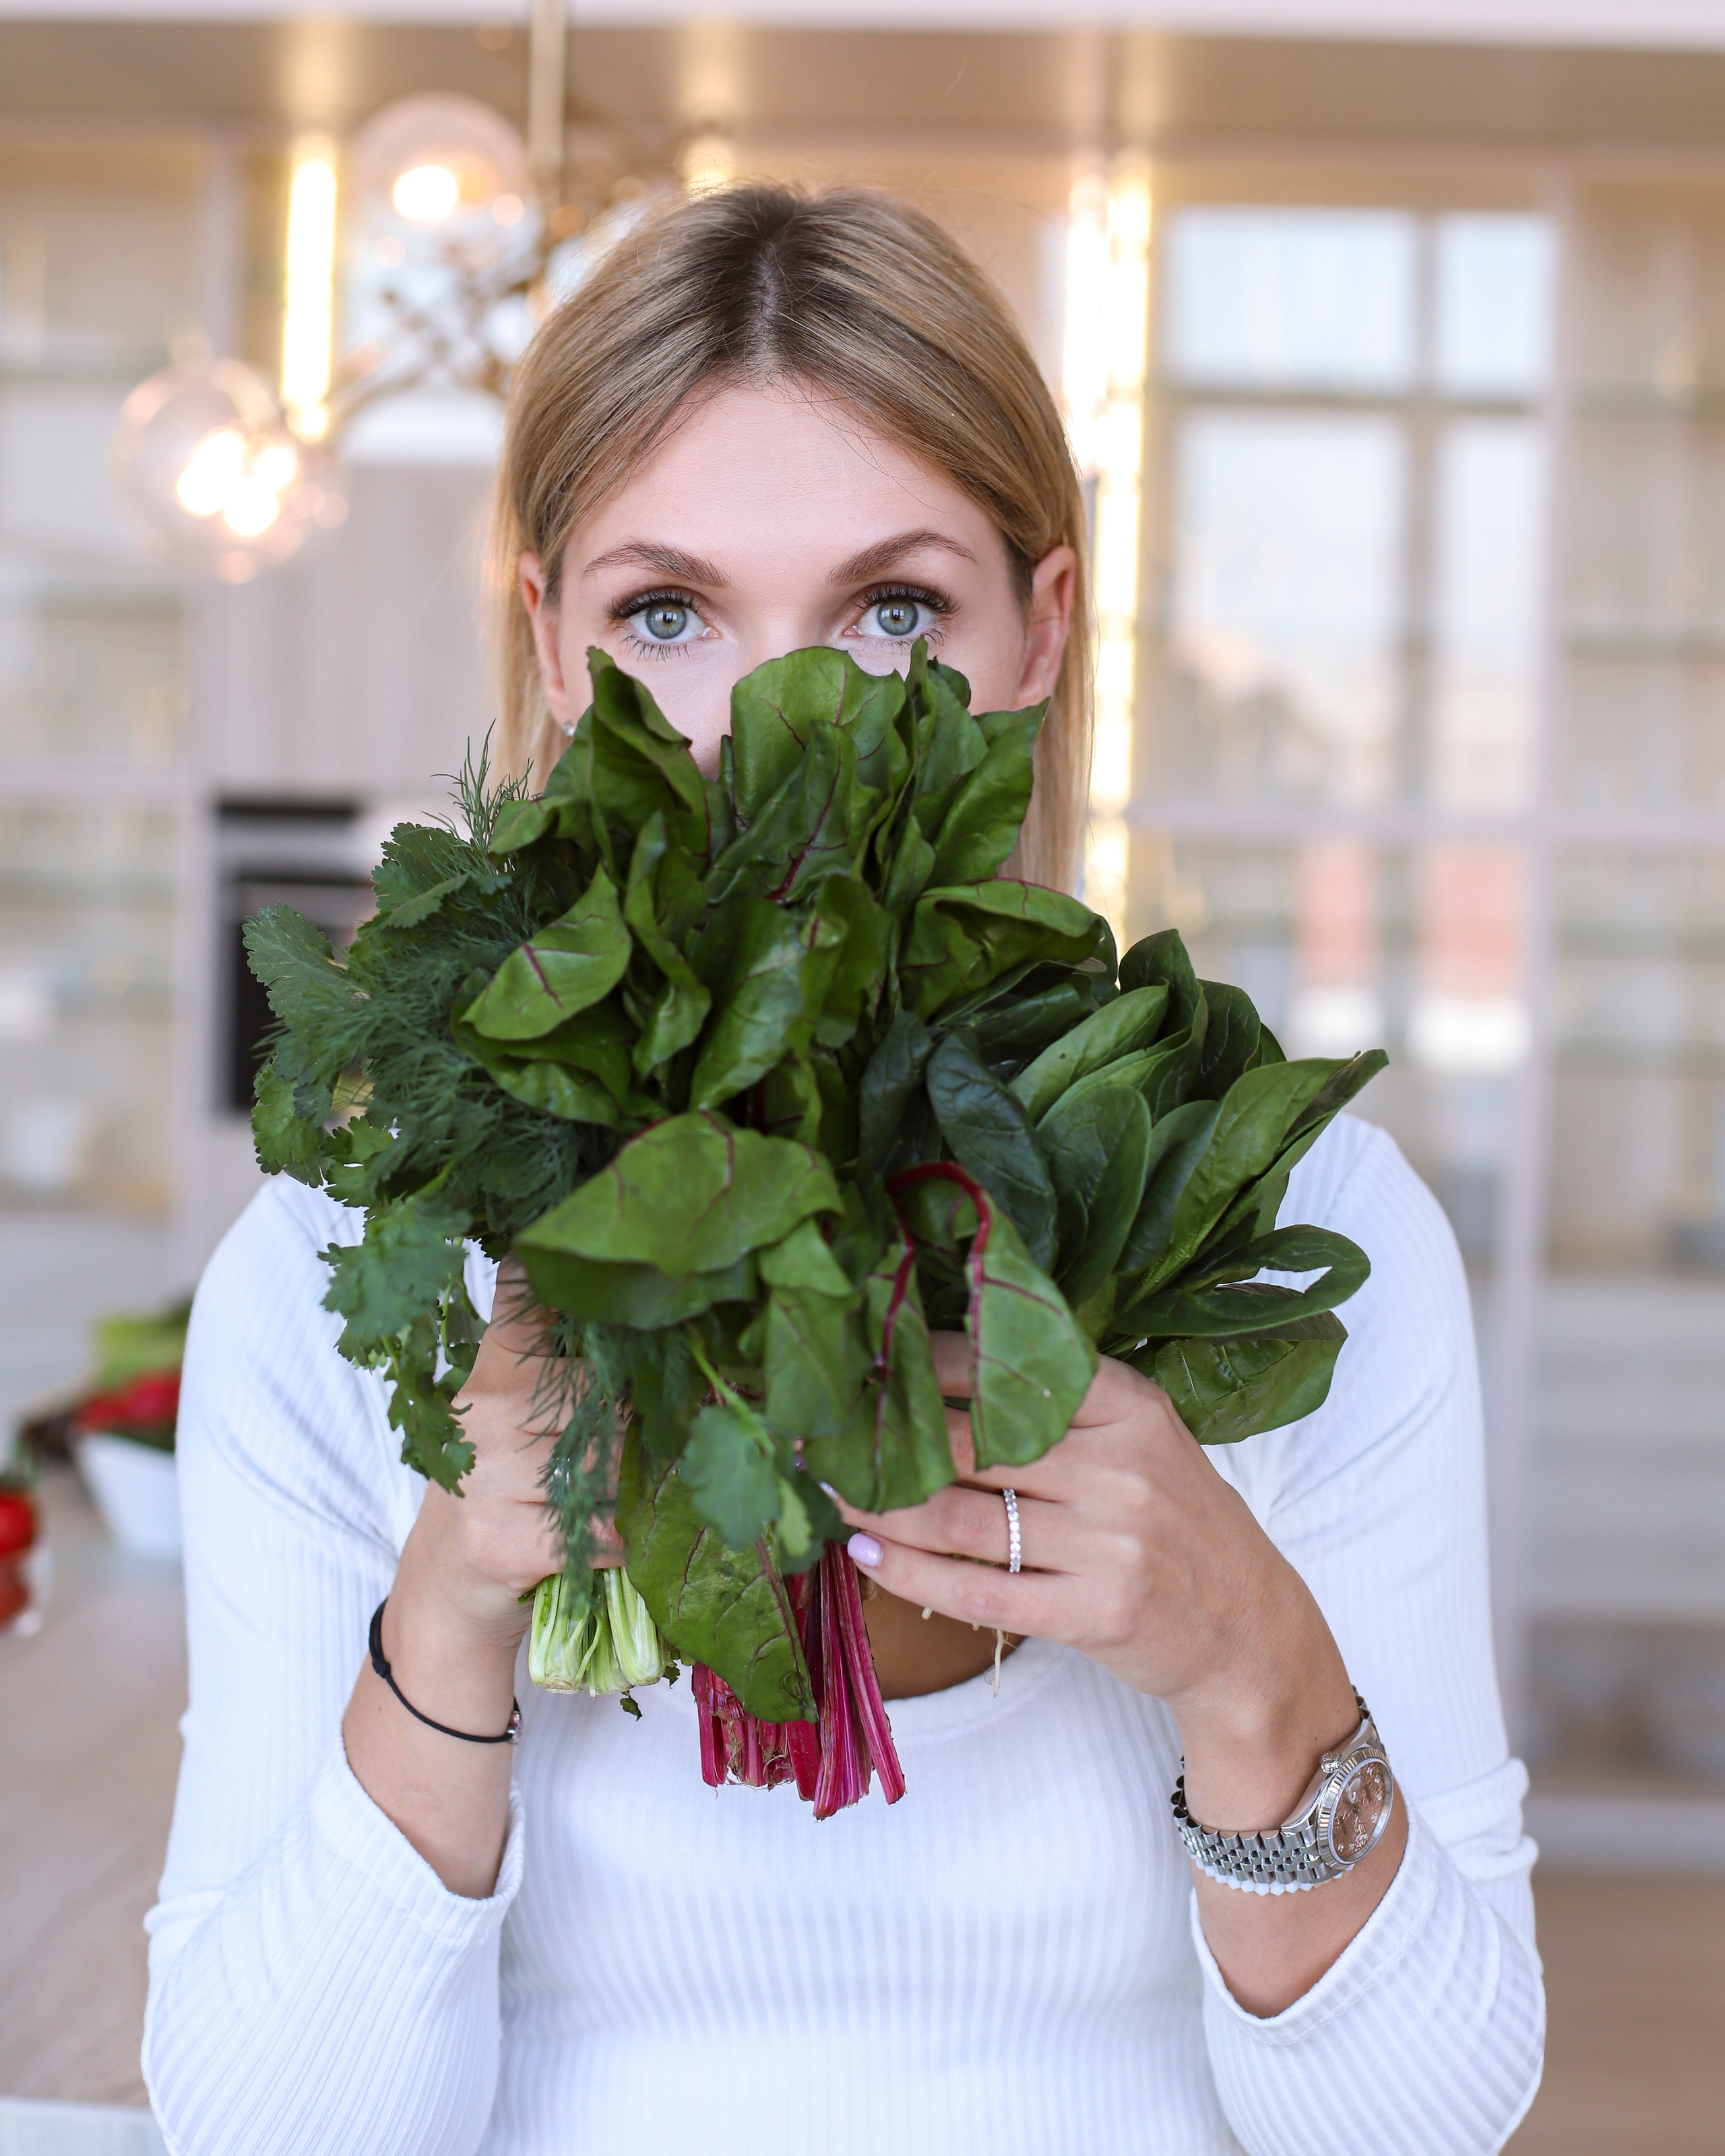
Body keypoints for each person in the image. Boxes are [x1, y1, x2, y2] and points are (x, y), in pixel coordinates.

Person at [143, 186, 1544, 2156]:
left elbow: (1426, 2129)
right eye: (668, 612)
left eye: (895, 612)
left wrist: (1252, 1660)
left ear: (1041, 630)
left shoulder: (1299, 1225)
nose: (771, 729)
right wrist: (452, 1609)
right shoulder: (336, 1271)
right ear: (552, 643)